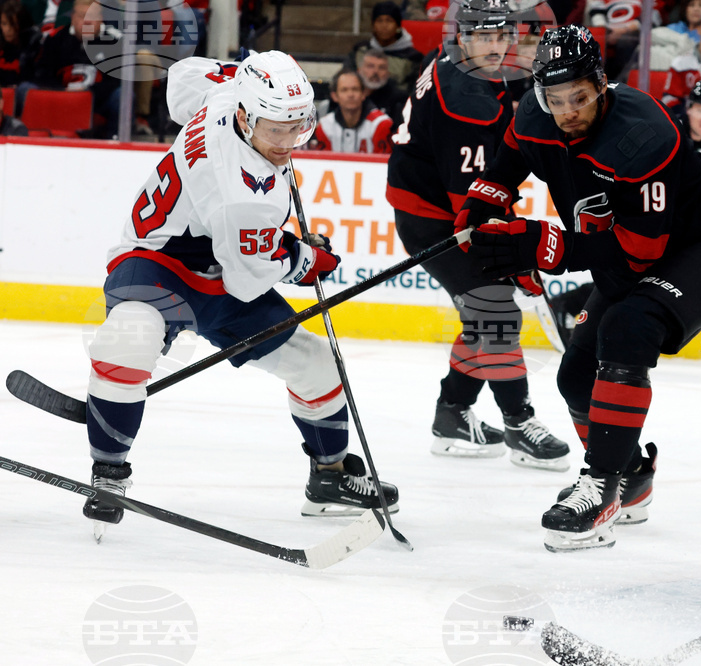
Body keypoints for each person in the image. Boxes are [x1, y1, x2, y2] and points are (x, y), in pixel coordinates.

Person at [465, 24, 701, 551]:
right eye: (555, 99)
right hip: (644, 243)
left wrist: (543, 246)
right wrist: (478, 213)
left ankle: (601, 489)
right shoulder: (535, 114)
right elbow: (503, 171)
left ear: (602, 84)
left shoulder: (642, 134)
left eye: (579, 97)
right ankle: (631, 478)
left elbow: (638, 256)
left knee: (629, 327)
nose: (567, 112)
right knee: (576, 377)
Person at [81, 50, 398, 540]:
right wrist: (303, 258)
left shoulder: (227, 93)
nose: (288, 143)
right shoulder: (241, 192)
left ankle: (329, 477)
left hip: (219, 264)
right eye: (276, 131)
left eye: (297, 128)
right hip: (158, 260)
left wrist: (236, 74)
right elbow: (248, 279)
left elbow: (182, 77)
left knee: (316, 364)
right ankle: (108, 472)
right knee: (129, 340)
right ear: (247, 117)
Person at [386, 2, 570, 471]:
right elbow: (472, 206)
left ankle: (452, 413)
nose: (495, 46)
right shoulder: (466, 99)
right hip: (433, 216)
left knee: (483, 314)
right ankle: (518, 423)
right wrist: (514, 255)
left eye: (502, 35)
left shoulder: (460, 64)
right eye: (484, 36)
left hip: (432, 197)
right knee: (496, 311)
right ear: (463, 37)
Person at [20, 0, 121, 136]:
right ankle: (26, 137)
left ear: (101, 19)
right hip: (59, 98)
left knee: (120, 96)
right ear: (73, 17)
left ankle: (115, 140)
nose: (87, 22)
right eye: (82, 16)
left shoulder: (114, 42)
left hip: (96, 103)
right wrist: (62, 92)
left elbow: (115, 82)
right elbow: (43, 75)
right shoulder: (55, 39)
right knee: (25, 89)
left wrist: (87, 94)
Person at [347, 2, 425, 95]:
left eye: (389, 21)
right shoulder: (360, 51)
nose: (384, 25)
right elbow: (345, 78)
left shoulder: (413, 58)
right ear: (373, 25)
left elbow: (416, 90)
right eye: (379, 21)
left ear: (398, 26)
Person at [309, 70, 393, 154]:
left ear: (363, 94)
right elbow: (323, 160)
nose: (350, 95)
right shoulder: (325, 125)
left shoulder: (381, 124)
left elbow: (385, 160)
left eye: (355, 89)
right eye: (344, 90)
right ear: (334, 96)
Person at [358, 47, 409, 128]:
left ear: (388, 73)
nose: (375, 71)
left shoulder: (398, 99)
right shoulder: (350, 93)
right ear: (359, 70)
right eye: (370, 66)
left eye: (381, 68)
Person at [0, 0, 41, 86]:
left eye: (13, 24)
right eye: (4, 24)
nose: (8, 29)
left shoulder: (32, 48)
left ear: (21, 24)